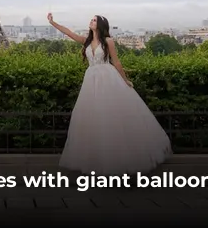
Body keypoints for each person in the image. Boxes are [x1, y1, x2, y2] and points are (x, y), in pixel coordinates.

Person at [48, 12, 172, 175]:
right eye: (91, 19)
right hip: (91, 80)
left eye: (94, 20)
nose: (91, 21)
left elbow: (117, 62)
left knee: (109, 115)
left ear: (100, 25)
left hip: (107, 78)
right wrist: (52, 22)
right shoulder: (86, 41)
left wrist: (125, 80)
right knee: (94, 117)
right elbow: (68, 33)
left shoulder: (108, 41)